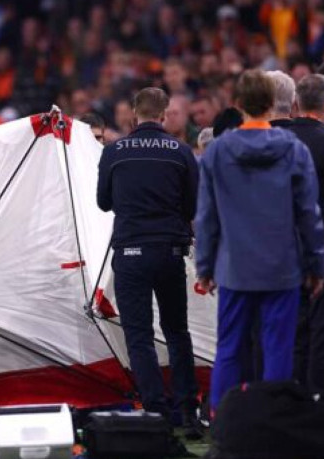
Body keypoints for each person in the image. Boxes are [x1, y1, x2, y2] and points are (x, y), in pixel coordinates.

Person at [195, 70, 324, 413]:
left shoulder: (218, 151)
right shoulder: (293, 149)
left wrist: (205, 266)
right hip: (282, 266)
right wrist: (317, 265)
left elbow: (207, 216)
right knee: (278, 348)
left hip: (234, 266)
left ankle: (222, 422)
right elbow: (308, 214)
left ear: (239, 105)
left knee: (230, 347)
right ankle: (273, 422)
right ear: (273, 103)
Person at [97, 88, 202, 440]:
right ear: (164, 115)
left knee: (139, 336)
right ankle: (188, 412)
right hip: (170, 251)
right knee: (177, 331)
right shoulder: (182, 152)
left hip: (130, 251)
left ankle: (157, 415)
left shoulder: (114, 152)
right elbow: (193, 206)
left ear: (133, 114)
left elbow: (103, 202)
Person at [283, 74, 324, 394]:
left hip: (282, 246)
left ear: (295, 103)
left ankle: (292, 395)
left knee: (292, 326)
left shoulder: (278, 142)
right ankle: (320, 400)